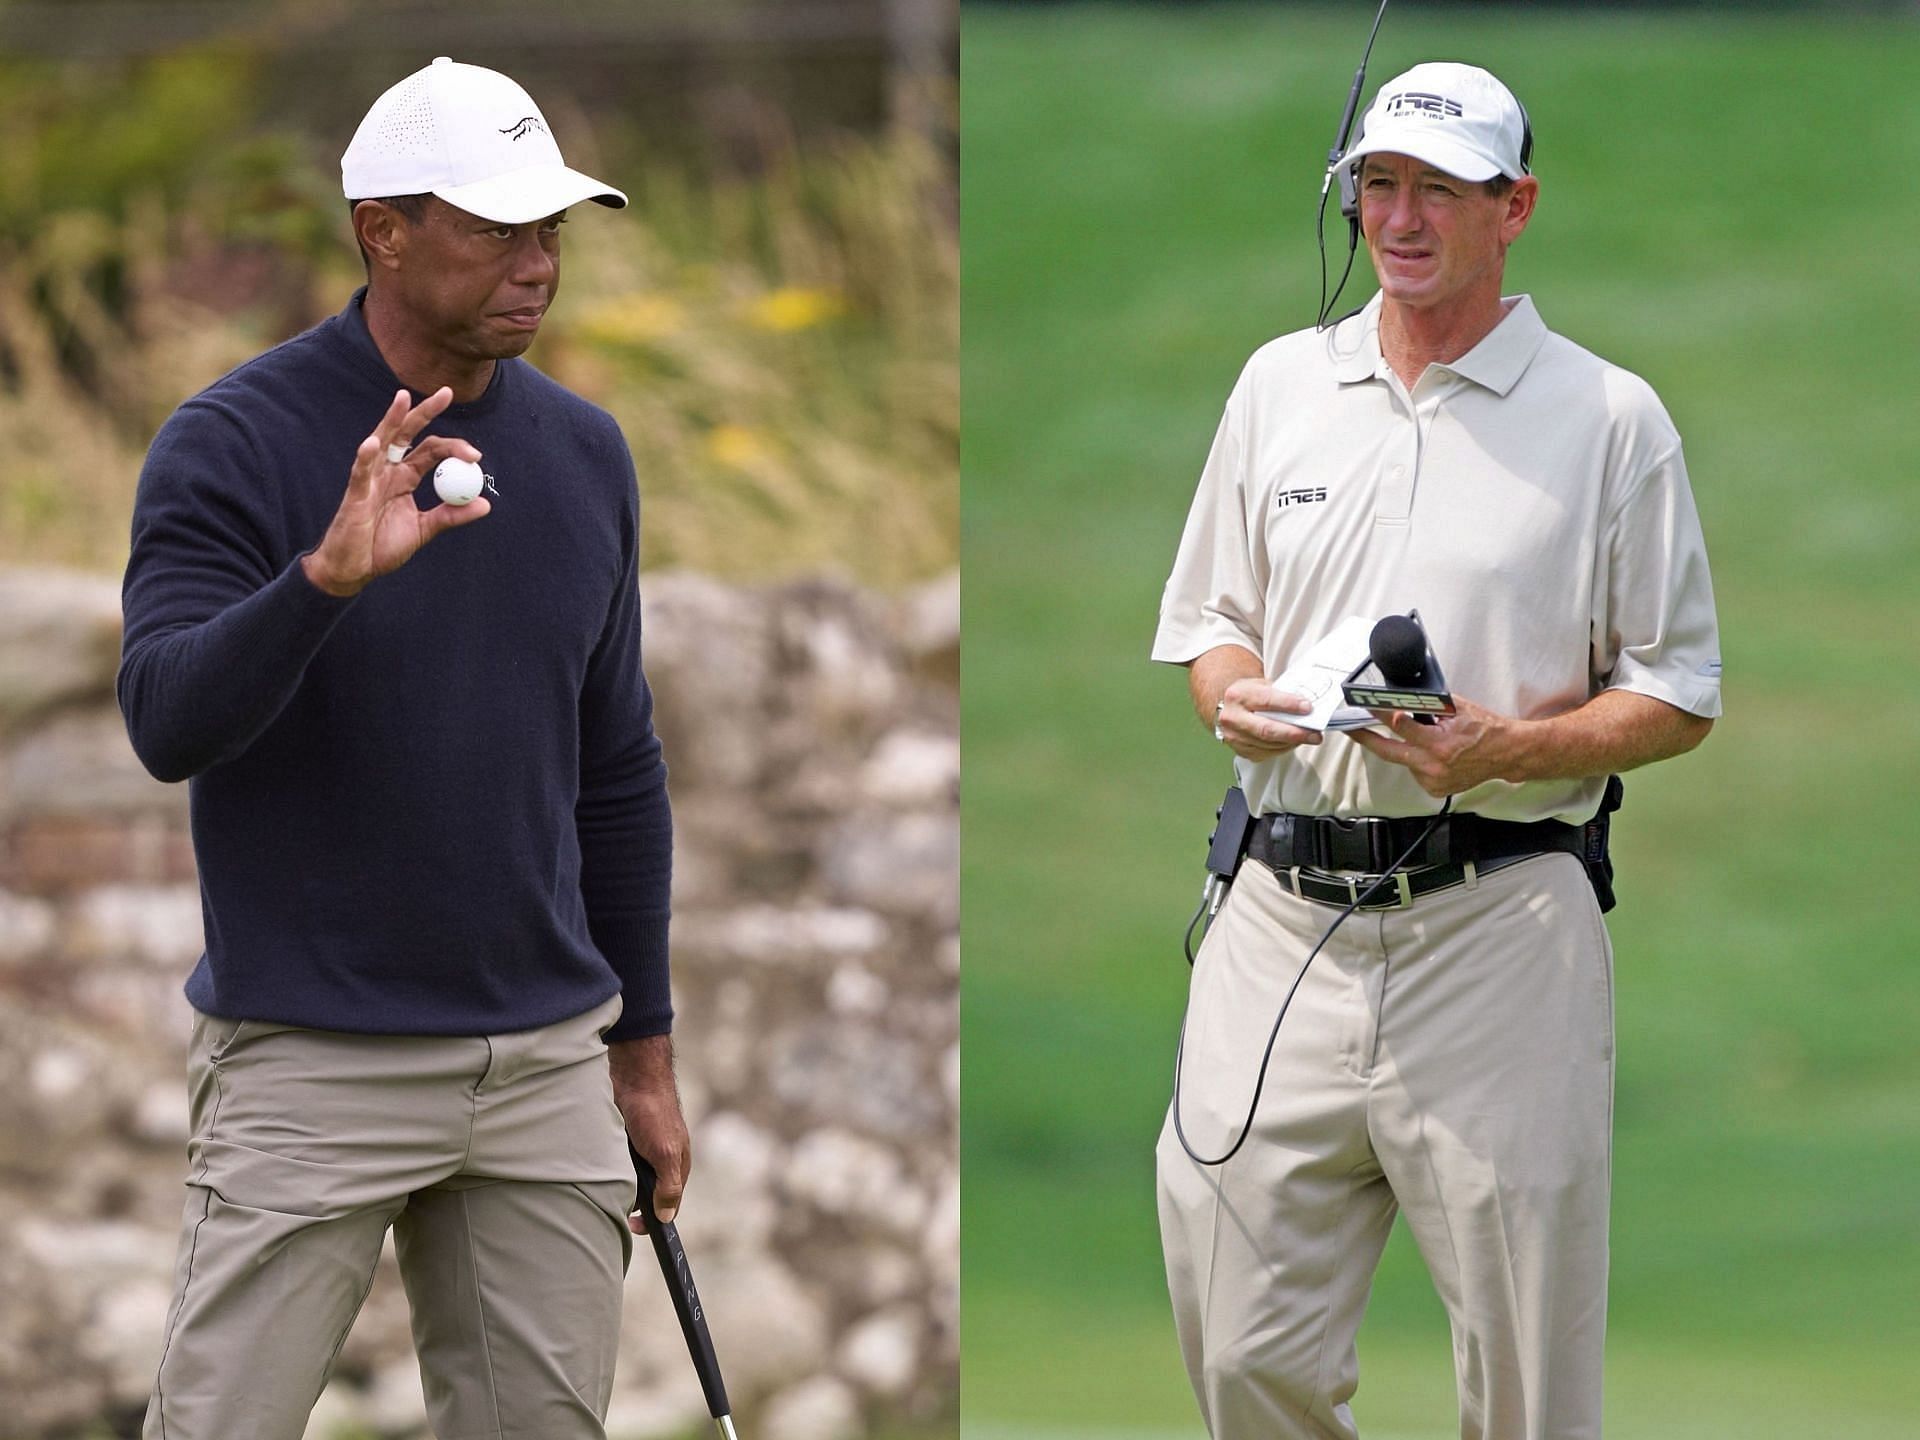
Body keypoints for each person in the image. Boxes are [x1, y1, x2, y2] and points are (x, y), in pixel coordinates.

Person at [118, 57, 687, 1440]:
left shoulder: (585, 453)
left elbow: (614, 764)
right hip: (313, 1059)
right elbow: (165, 720)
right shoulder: (233, 441)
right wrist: (321, 582)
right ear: (383, 230)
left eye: (551, 230)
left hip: (546, 1061)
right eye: (498, 230)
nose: (538, 263)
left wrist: (645, 1051)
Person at [1151, 62, 1721, 1440]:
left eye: (1441, 193)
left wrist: (1508, 747)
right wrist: (1231, 697)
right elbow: (1212, 622)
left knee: (1525, 1382)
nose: (1401, 221)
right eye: (1378, 188)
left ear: (1513, 207)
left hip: (1501, 928)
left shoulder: (1608, 417)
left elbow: (1680, 689)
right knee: (1238, 1345)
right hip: (1277, 921)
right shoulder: (1282, 381)